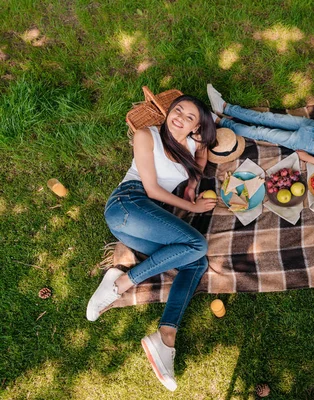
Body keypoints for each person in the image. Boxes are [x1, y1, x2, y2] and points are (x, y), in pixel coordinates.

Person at [86, 95, 217, 391]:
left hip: (144, 221)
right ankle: (120, 284)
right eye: (178, 110)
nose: (179, 117)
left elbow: (200, 159)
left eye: (190, 117)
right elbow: (152, 189)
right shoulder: (148, 136)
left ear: (197, 127)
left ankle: (165, 338)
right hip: (128, 204)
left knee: (196, 262)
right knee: (198, 245)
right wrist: (194, 209)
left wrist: (193, 186)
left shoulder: (193, 146)